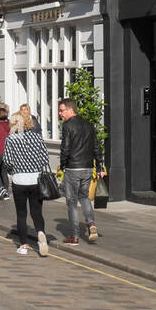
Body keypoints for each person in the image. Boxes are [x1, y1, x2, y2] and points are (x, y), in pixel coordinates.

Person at [58, 98, 106, 245]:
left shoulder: (67, 126)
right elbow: (96, 147)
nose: (60, 114)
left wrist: (63, 164)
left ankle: (74, 236)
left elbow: (65, 148)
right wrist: (99, 166)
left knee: (71, 202)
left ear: (70, 109)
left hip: (73, 168)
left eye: (61, 110)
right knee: (84, 197)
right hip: (87, 168)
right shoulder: (88, 124)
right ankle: (91, 223)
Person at [3, 112, 49, 257]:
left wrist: (13, 171)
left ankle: (23, 245)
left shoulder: (11, 139)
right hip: (36, 179)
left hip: (19, 180)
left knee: (21, 214)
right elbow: (45, 158)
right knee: (37, 212)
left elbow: (7, 161)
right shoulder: (37, 137)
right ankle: (41, 234)